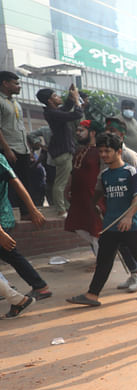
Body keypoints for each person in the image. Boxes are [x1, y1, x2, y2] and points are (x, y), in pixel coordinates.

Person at [66, 133, 137, 307]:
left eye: (107, 151)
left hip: (131, 225)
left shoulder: (130, 171)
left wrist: (129, 217)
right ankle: (92, 295)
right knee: (103, 260)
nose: (103, 155)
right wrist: (93, 206)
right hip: (110, 225)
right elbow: (98, 193)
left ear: (118, 151)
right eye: (101, 151)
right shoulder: (105, 175)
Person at [0, 152, 50, 312]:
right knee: (11, 254)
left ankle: (24, 294)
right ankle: (34, 287)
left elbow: (16, 182)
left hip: (2, 220)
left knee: (11, 254)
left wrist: (33, 209)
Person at [104, 116, 137, 293]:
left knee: (134, 246)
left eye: (112, 131)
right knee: (121, 245)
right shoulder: (108, 155)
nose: (108, 134)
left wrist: (131, 213)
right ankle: (134, 272)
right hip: (115, 209)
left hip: (131, 210)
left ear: (121, 134)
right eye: (107, 130)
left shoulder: (129, 156)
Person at [37, 85, 83, 217]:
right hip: (62, 152)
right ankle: (61, 209)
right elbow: (76, 114)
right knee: (61, 183)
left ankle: (65, 205)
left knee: (65, 181)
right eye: (55, 96)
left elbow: (66, 108)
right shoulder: (53, 113)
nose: (58, 97)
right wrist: (76, 100)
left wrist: (70, 96)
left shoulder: (53, 111)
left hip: (63, 151)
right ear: (50, 100)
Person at [65, 120, 103, 256]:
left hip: (93, 197)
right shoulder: (79, 151)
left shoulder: (101, 151)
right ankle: (102, 255)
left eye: (81, 130)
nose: (78, 133)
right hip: (78, 199)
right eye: (77, 130)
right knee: (78, 226)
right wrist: (67, 188)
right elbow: (73, 172)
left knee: (95, 230)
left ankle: (101, 262)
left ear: (92, 133)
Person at [0, 71, 35, 212]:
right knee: (7, 183)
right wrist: (7, 149)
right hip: (8, 149)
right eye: (16, 84)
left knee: (25, 182)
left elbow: (21, 127)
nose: (19, 87)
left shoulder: (15, 102)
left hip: (22, 148)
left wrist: (28, 148)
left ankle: (27, 213)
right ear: (5, 83)